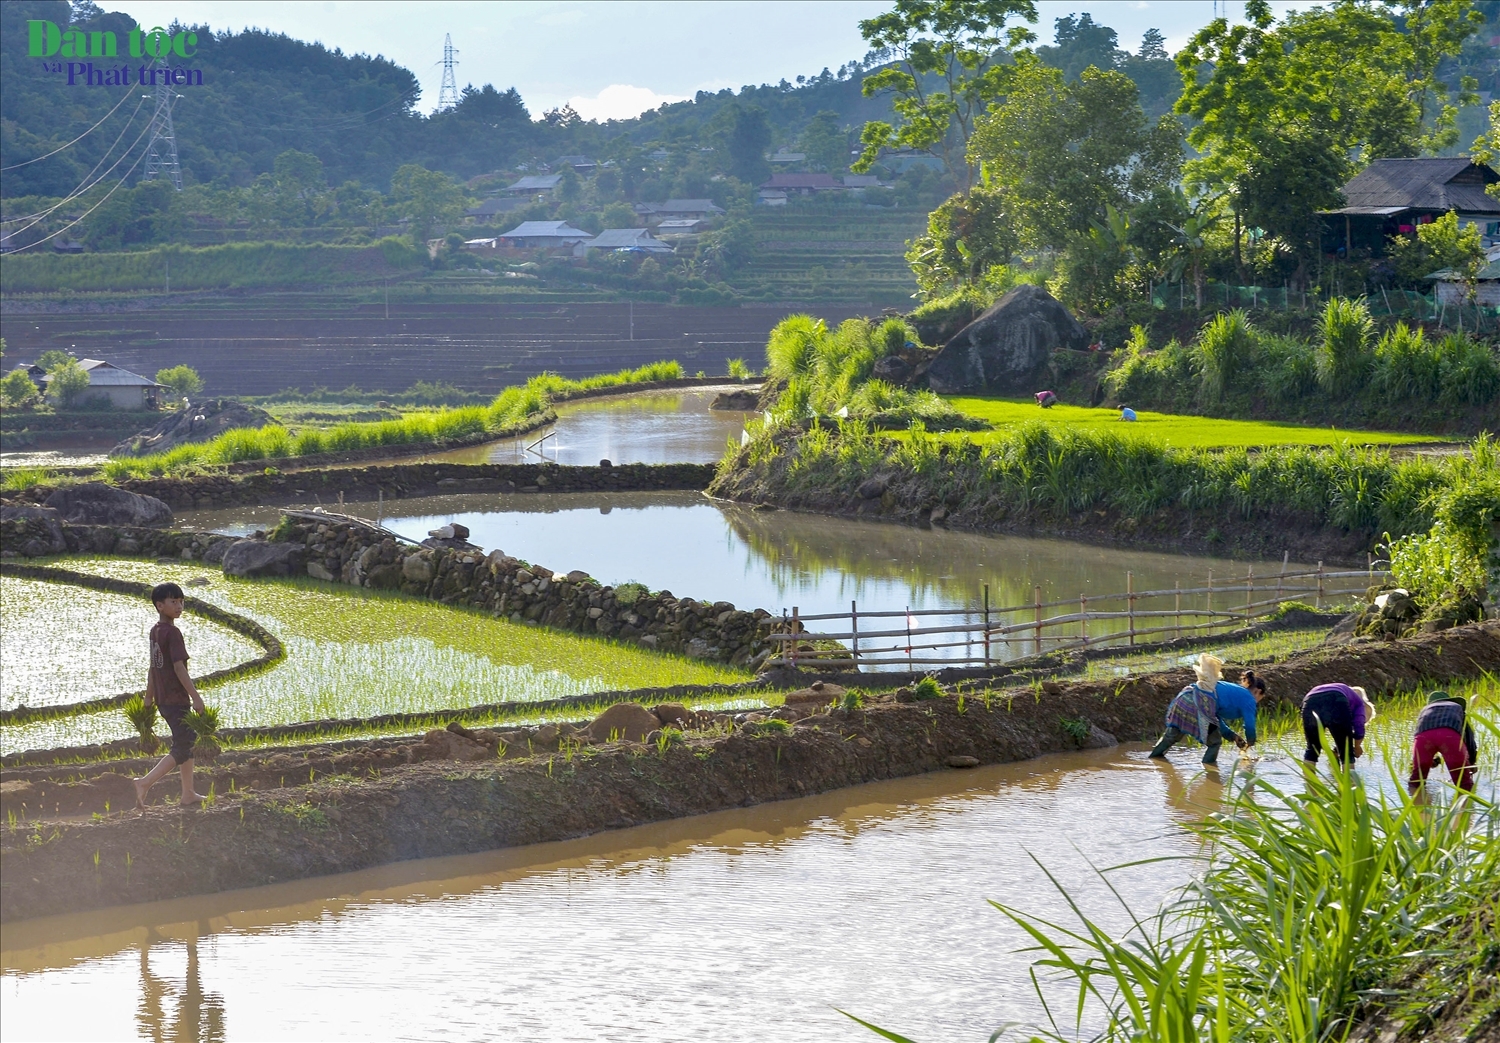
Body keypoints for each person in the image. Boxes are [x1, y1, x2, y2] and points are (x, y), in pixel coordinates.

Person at [133, 582, 207, 809]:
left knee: (187, 742)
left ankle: (188, 793)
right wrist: (196, 697)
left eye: (181, 601)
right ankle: (145, 782)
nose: (179, 606)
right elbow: (178, 668)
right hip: (176, 699)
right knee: (183, 745)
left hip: (163, 699)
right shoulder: (173, 633)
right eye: (173, 602)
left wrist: (148, 697)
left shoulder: (155, 631)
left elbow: (153, 667)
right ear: (159, 605)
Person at [1150, 654, 1237, 765]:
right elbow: (1216, 720)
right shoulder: (1212, 694)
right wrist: (1232, 736)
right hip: (1194, 709)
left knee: (1171, 736)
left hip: (1181, 705)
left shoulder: (1195, 686)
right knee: (1214, 742)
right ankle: (1208, 766)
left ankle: (1154, 757)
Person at [1409, 690, 1479, 794]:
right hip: (1449, 737)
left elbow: (1420, 737)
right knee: (1464, 785)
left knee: (1416, 781)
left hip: (1423, 739)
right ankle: (1465, 808)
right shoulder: (1457, 708)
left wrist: (1429, 761)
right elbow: (1469, 737)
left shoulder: (1425, 710)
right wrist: (1471, 763)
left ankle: (1416, 806)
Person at [1301, 682, 1375, 767]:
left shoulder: (1346, 692)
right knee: (1346, 751)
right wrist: (1357, 746)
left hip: (1309, 700)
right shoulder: (1359, 703)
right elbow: (1359, 727)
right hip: (1336, 699)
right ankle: (1349, 779)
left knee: (1312, 749)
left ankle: (1308, 779)